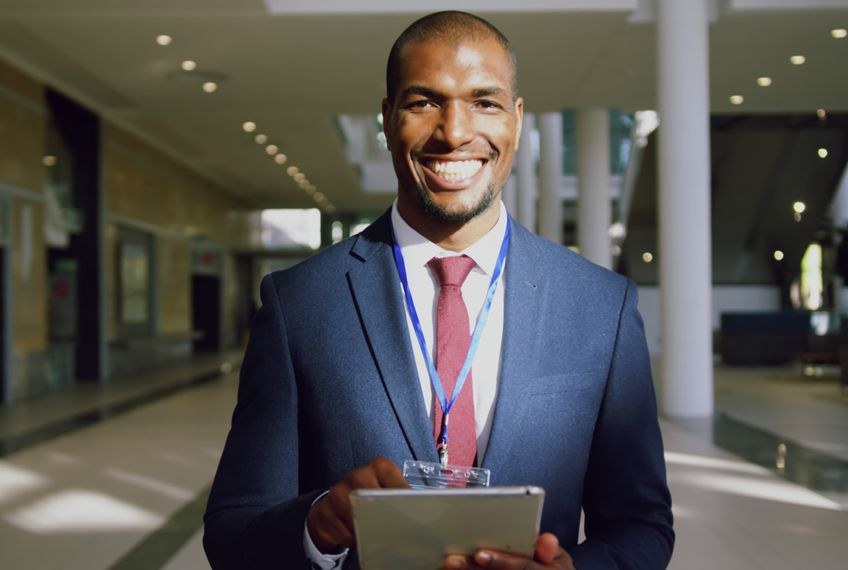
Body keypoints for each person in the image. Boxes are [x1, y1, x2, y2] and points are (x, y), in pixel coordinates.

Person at [204, 10, 673, 570]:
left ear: (517, 121)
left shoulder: (601, 307)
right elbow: (232, 531)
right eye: (424, 102)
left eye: (485, 102)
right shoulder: (300, 303)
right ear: (387, 118)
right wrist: (317, 524)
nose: (454, 132)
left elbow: (642, 526)